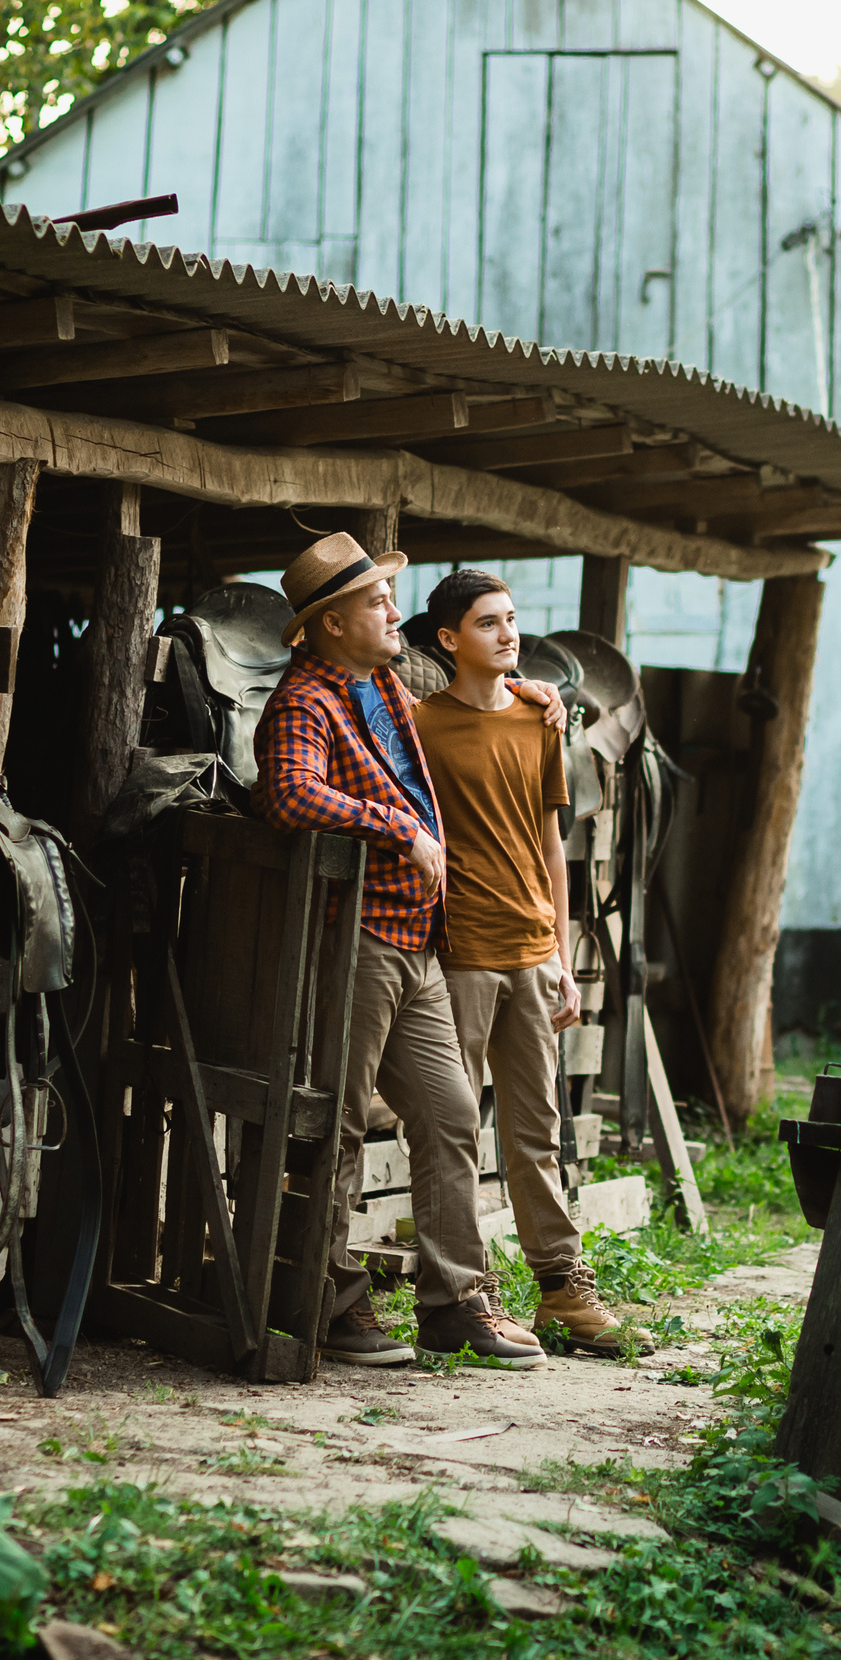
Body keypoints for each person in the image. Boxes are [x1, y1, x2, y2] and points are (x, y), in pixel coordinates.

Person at [251, 533, 563, 1370]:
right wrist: (396, 826)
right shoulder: (304, 702)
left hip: (413, 940)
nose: (397, 613)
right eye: (379, 604)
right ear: (330, 623)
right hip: (350, 940)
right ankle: (327, 1302)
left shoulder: (385, 680)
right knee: (340, 1123)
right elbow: (286, 793)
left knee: (452, 1114)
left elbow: (470, 689)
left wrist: (528, 687)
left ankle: (454, 1304)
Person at [412, 570, 653, 1356]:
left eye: (512, 620)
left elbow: (553, 842)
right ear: (450, 640)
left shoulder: (539, 719)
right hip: (459, 954)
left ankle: (562, 1290)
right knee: (451, 1129)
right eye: (489, 623)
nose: (508, 634)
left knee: (537, 1130)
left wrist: (557, 949)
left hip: (529, 948)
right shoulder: (421, 725)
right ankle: (459, 1295)